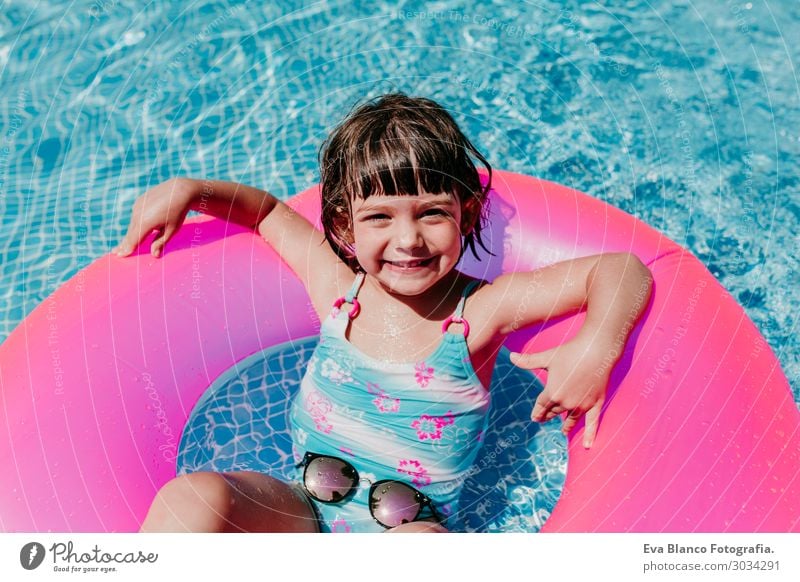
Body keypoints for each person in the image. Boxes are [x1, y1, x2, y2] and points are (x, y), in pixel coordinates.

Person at [114, 93, 653, 533]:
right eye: (379, 218)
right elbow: (268, 212)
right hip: (302, 510)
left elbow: (622, 270)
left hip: (408, 531)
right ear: (345, 226)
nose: (408, 239)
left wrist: (598, 344)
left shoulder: (479, 313)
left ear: (468, 215)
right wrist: (192, 190)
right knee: (193, 496)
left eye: (432, 213)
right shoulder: (338, 291)